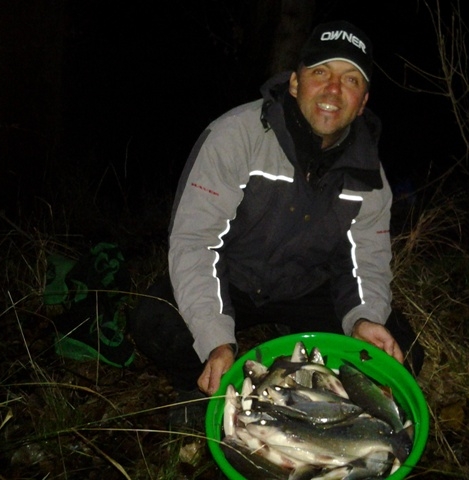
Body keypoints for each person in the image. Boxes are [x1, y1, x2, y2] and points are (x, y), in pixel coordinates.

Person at [131, 20, 424, 430]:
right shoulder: (235, 136)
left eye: (350, 79)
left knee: (402, 349)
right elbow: (195, 242)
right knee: (154, 322)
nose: (333, 90)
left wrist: (364, 318)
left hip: (307, 287)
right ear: (295, 83)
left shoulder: (368, 175)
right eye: (321, 72)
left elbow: (366, 265)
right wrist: (216, 339)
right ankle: (196, 384)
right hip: (231, 278)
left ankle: (321, 404)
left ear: (362, 102)